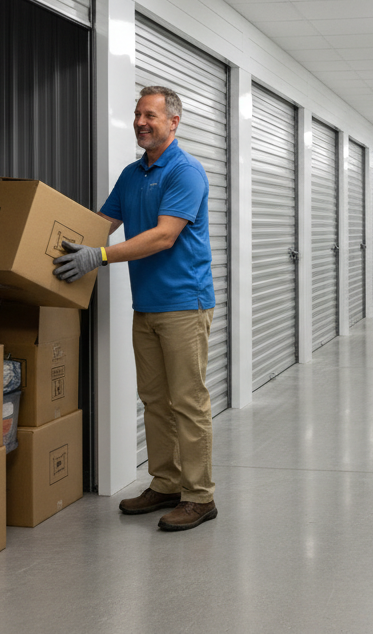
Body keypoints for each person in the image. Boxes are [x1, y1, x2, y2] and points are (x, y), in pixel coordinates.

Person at [53, 85, 218, 532]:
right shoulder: (131, 174)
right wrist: (52, 239)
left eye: (151, 115)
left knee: (188, 402)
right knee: (155, 401)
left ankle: (200, 496)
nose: (142, 122)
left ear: (173, 122)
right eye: (138, 114)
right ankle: (165, 482)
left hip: (185, 304)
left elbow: (164, 236)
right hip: (145, 305)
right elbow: (101, 224)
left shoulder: (186, 172)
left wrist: (100, 257)